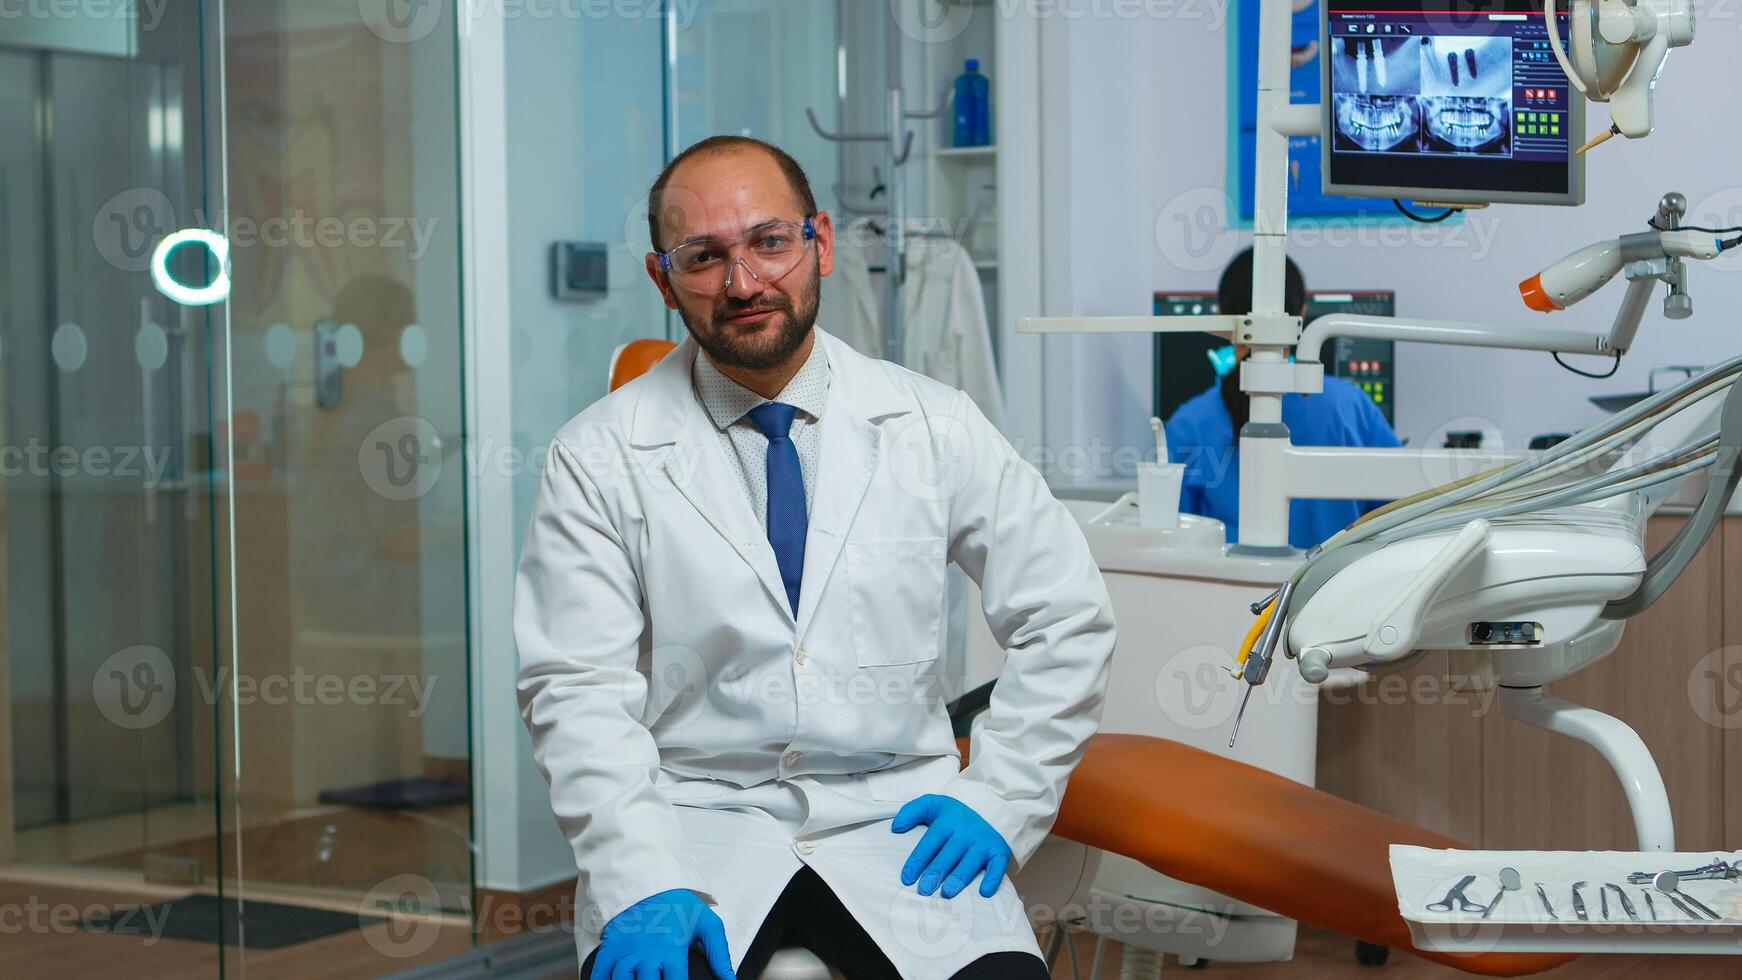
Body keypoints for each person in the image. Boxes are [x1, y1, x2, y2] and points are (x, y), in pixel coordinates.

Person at [515, 135, 1115, 980]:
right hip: (694, 824)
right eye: (703, 257)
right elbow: (573, 686)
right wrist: (639, 875)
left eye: (769, 241)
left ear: (819, 242)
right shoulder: (599, 455)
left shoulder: (936, 425)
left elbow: (1066, 614)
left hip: (896, 822)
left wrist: (1002, 794)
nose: (744, 282)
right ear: (663, 279)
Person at [1165, 248, 1400, 550]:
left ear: (1223, 317)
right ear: (1301, 314)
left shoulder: (1189, 424)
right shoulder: (1350, 407)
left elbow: (1177, 543)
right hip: (1331, 591)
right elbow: (1400, 513)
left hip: (1230, 594)